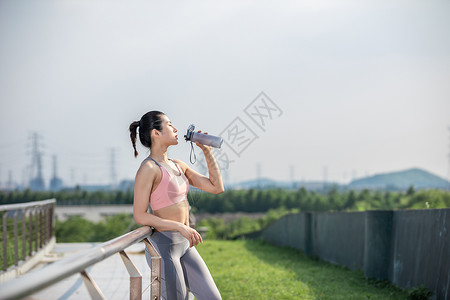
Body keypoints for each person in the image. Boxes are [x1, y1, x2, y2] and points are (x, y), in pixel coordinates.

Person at [129, 110, 223, 300]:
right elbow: (140, 215)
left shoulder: (178, 165)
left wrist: (207, 152)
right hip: (163, 246)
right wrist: (179, 226)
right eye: (169, 124)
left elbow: (216, 187)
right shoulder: (148, 169)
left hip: (185, 245)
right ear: (156, 133)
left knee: (213, 298)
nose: (175, 129)